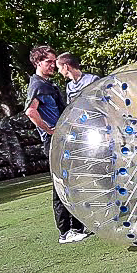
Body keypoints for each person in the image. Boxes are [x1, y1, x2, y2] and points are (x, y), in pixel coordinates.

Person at [25, 45, 86, 243]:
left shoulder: (47, 84)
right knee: (60, 184)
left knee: (71, 181)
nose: (53, 65)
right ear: (37, 63)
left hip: (62, 138)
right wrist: (49, 130)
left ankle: (77, 227)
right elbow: (31, 112)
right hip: (53, 140)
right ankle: (65, 231)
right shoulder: (37, 85)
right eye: (48, 62)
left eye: (53, 62)